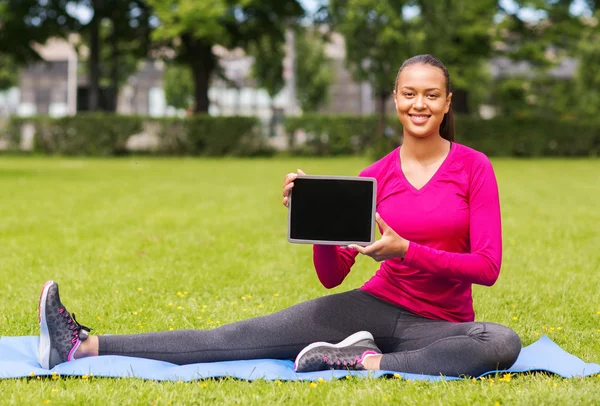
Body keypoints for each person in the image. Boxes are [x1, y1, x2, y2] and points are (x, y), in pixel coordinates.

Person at [37, 54, 521, 377]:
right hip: (372, 306)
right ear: (395, 99)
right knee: (234, 337)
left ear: (447, 102)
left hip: (439, 324)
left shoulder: (473, 168)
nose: (420, 104)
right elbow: (331, 278)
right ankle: (82, 345)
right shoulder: (374, 178)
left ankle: (364, 360)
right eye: (410, 93)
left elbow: (488, 267)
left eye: (431, 94)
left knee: (500, 342)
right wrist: (315, 223)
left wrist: (406, 251)